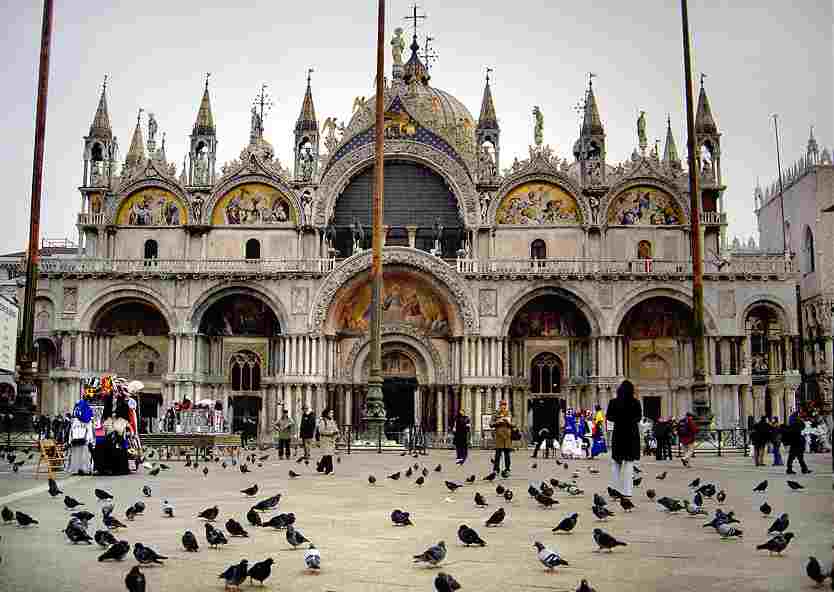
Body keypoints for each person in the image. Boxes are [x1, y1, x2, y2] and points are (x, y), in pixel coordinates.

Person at [606, 380, 641, 498]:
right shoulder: (636, 402)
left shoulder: (613, 402)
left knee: (616, 463)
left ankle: (614, 490)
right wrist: (630, 420)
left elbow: (609, 417)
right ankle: (627, 491)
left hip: (619, 434)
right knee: (629, 464)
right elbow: (639, 418)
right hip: (631, 434)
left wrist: (619, 419)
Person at [67, 398, 95, 475]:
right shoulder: (87, 417)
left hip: (75, 440)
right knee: (84, 454)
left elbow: (71, 431)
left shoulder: (74, 419)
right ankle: (85, 469)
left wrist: (69, 440)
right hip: (84, 440)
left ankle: (75, 469)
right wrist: (91, 440)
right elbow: (89, 429)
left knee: (75, 454)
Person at [490, 400, 514, 476]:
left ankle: (507, 469)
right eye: (502, 405)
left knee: (507, 455)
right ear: (499, 406)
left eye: (504, 405)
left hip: (507, 436)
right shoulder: (495, 413)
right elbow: (491, 424)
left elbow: (514, 424)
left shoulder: (509, 413)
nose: (503, 406)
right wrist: (497, 422)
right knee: (497, 455)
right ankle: (496, 469)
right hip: (499, 436)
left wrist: (509, 422)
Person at [316, 408, 339, 475]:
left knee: (327, 454)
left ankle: (320, 467)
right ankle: (329, 470)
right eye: (330, 413)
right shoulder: (322, 421)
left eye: (332, 413)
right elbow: (321, 431)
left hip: (331, 440)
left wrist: (336, 432)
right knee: (328, 455)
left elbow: (335, 428)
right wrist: (330, 432)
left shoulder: (332, 421)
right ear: (326, 413)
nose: (332, 414)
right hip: (325, 440)